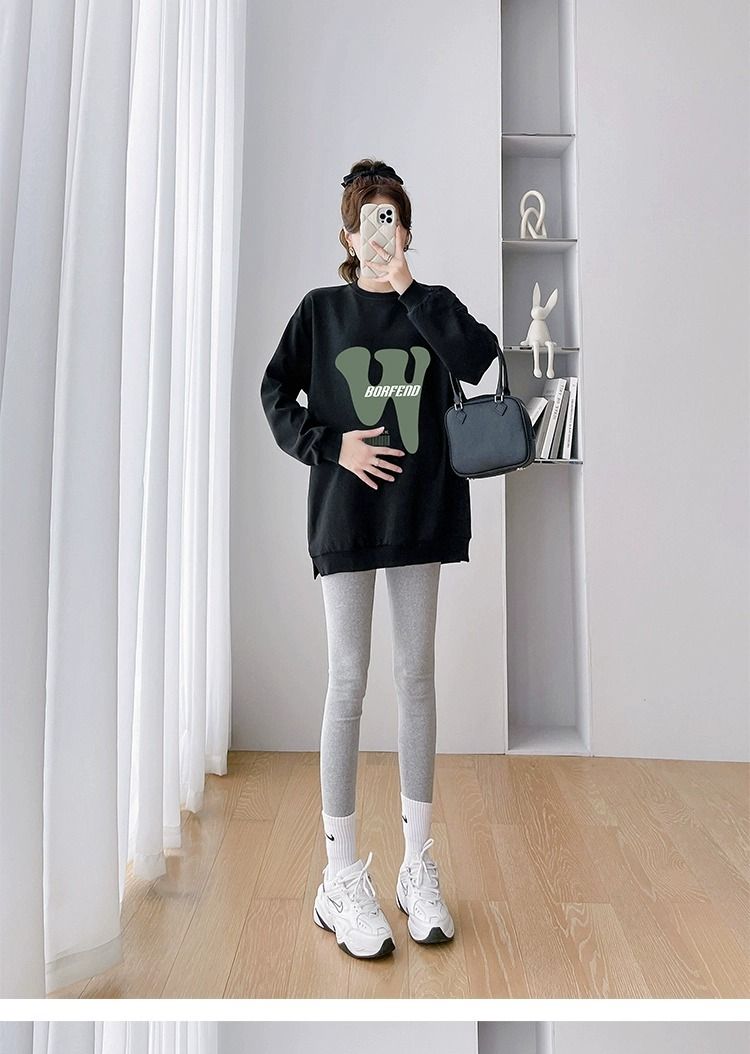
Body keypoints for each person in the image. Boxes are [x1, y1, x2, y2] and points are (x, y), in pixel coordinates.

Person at [260, 158, 499, 960]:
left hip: (420, 515)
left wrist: (408, 290)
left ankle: (416, 866)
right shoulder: (320, 312)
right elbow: (274, 392)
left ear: (407, 231)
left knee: (416, 677)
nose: (380, 234)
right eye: (368, 222)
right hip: (346, 519)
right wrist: (333, 447)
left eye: (391, 220)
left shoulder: (430, 306)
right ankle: (338, 877)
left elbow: (479, 360)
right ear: (347, 235)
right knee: (349, 681)